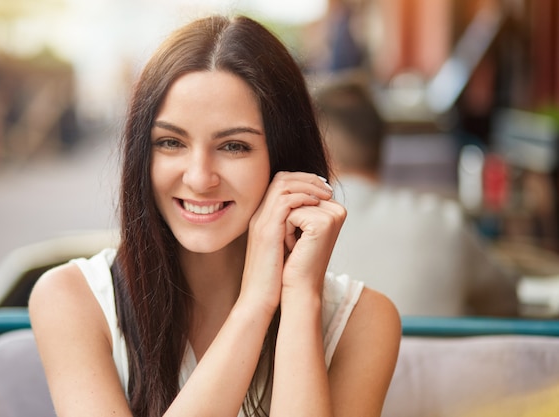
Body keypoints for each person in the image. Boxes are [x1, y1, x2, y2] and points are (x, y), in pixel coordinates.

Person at [28, 15, 401, 417]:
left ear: (284, 158)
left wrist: (298, 299)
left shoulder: (363, 322)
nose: (199, 177)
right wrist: (255, 303)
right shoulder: (71, 299)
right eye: (171, 142)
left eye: (234, 146)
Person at [314, 74, 520, 317]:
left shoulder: (298, 225)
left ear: (320, 149)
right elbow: (506, 300)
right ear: (382, 144)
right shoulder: (444, 220)